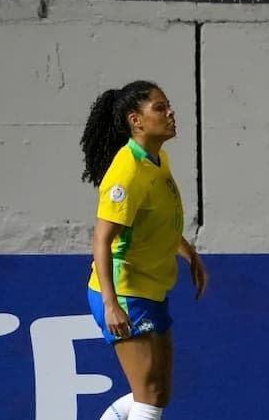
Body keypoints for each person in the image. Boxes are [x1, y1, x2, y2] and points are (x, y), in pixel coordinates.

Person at [80, 80, 209, 420]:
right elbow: (101, 239)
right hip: (126, 291)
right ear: (136, 120)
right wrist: (111, 304)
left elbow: (158, 218)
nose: (170, 112)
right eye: (160, 107)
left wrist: (188, 253)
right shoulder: (127, 172)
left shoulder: (156, 159)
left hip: (150, 288)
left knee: (157, 392)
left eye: (169, 105)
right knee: (149, 396)